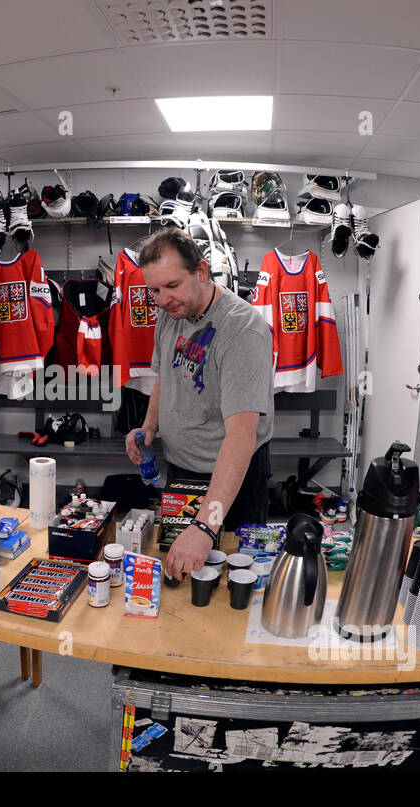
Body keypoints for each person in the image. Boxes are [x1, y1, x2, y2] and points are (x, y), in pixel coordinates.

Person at [125, 227, 275, 581]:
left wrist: (206, 527)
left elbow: (241, 438)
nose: (162, 299)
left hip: (231, 479)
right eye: (154, 290)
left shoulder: (242, 329)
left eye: (172, 286)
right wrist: (149, 427)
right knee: (183, 575)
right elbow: (165, 375)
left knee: (233, 581)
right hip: (181, 469)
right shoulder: (172, 312)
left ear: (202, 272)